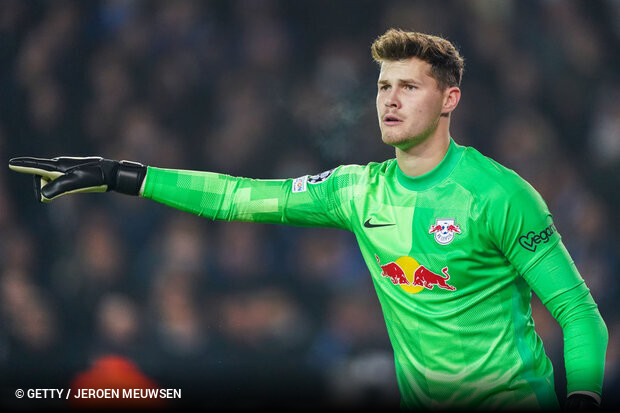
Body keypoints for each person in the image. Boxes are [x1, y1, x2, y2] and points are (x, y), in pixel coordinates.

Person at [8, 29, 607, 411]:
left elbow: (579, 315)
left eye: (409, 87)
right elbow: (236, 198)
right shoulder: (355, 190)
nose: (390, 100)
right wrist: (123, 175)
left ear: (449, 99)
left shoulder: (500, 195)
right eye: (382, 86)